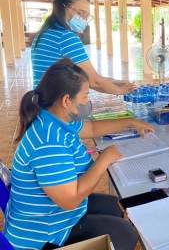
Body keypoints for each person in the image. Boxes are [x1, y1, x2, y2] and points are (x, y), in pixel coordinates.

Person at [4, 58, 154, 250]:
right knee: (124, 232)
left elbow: (91, 128)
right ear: (66, 100)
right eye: (85, 96)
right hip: (44, 236)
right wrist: (104, 160)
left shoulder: (54, 118)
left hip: (57, 215)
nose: (87, 101)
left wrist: (130, 122)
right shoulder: (48, 142)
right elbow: (70, 200)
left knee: (117, 206)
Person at [31, 0, 138, 94]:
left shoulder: (44, 33)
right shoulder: (65, 37)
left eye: (86, 16)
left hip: (41, 103)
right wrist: (122, 90)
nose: (83, 20)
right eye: (80, 13)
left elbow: (91, 76)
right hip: (54, 106)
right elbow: (94, 81)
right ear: (63, 8)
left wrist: (117, 82)